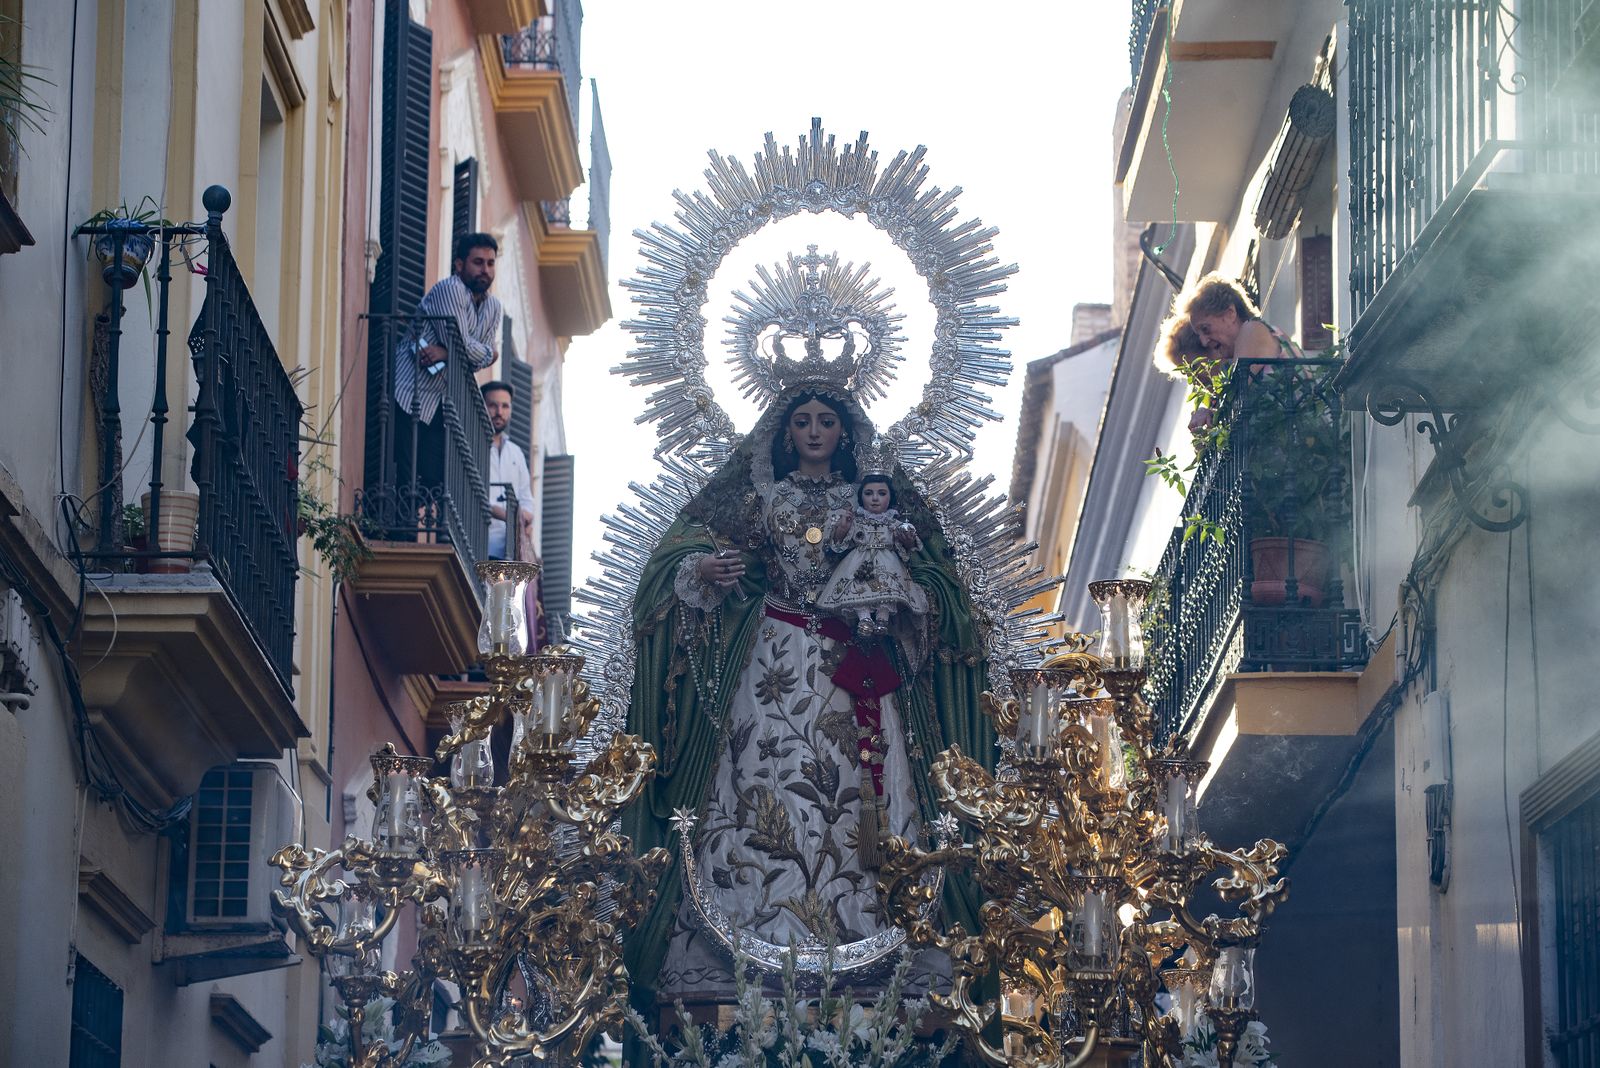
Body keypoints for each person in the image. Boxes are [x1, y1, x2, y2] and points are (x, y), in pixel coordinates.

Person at [621, 384, 994, 1027]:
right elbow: (678, 556)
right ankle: (763, 925)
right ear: (784, 432)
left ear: (845, 433)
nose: (815, 432)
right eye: (802, 421)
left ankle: (865, 929)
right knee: (762, 782)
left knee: (865, 787)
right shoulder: (753, 499)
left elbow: (936, 576)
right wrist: (706, 570)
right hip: (773, 660)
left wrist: (904, 592)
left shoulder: (877, 499)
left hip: (858, 667)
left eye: (826, 421)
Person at [391, 233, 503, 492]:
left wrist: (447, 352)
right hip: (410, 393)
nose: (485, 269)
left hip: (441, 401)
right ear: (460, 265)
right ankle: (399, 530)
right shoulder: (450, 289)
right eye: (478, 262)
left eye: (490, 263)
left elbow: (469, 354)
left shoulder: (494, 307)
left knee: (433, 480)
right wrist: (481, 352)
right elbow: (464, 345)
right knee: (406, 475)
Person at [817, 472, 929, 638]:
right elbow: (840, 544)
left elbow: (908, 548)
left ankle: (882, 619)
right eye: (869, 493)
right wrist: (842, 530)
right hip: (858, 561)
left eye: (881, 493)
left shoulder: (894, 523)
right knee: (857, 586)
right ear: (861, 497)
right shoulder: (857, 521)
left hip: (888, 562)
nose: (875, 498)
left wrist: (907, 540)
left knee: (887, 585)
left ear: (890, 497)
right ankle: (864, 618)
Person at [1182, 273, 1299, 364]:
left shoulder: (1251, 331)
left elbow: (1236, 393)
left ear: (1230, 314)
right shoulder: (1264, 331)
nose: (1203, 342)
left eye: (1205, 329)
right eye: (1199, 335)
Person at [480, 379, 535, 560]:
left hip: (510, 551)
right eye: (493, 405)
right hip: (478, 544)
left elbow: (527, 499)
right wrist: (504, 514)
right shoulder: (473, 445)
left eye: (505, 406)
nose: (499, 412)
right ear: (482, 406)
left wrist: (523, 518)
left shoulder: (516, 453)